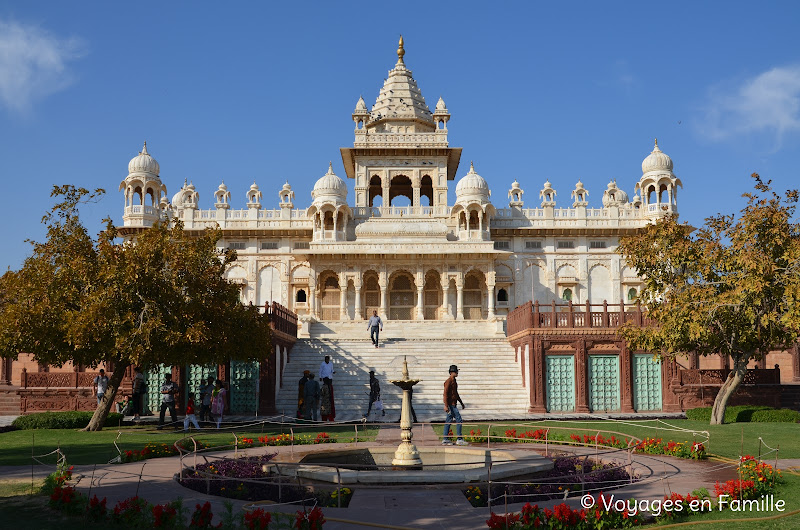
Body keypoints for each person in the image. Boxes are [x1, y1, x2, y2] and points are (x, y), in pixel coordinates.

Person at [442, 364, 467, 446]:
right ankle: (459, 438)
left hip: (453, 404)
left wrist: (461, 402)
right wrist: (446, 405)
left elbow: (456, 394)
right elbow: (445, 394)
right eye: (456, 371)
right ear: (452, 372)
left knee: (448, 421)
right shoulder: (448, 382)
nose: (457, 373)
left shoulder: (454, 381)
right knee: (459, 419)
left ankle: (445, 439)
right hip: (450, 405)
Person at [318, 356, 336, 421]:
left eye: (328, 359)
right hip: (325, 376)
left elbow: (332, 369)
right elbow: (320, 370)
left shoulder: (331, 364)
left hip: (329, 376)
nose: (327, 360)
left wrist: (333, 371)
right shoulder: (322, 364)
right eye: (326, 359)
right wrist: (320, 376)